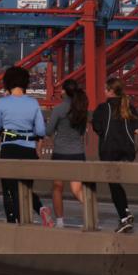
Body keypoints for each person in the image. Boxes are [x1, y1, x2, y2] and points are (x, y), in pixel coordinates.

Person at [0, 66, 52, 226]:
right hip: (29, 149)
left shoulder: (2, 102)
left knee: (9, 189)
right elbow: (40, 130)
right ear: (25, 82)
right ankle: (39, 209)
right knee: (25, 188)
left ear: (8, 82)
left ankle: (14, 222)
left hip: (9, 148)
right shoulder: (33, 103)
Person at [91, 77, 138, 233]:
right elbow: (137, 127)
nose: (103, 91)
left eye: (105, 89)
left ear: (111, 91)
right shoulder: (129, 106)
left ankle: (124, 218)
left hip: (109, 150)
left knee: (113, 184)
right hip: (127, 151)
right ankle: (125, 211)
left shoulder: (103, 108)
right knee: (116, 183)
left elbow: (97, 127)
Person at [47, 78, 88, 228]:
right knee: (77, 189)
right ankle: (91, 213)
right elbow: (82, 131)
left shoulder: (58, 109)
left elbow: (48, 130)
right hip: (77, 153)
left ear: (64, 92)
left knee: (57, 187)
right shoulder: (81, 109)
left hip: (60, 153)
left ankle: (59, 221)